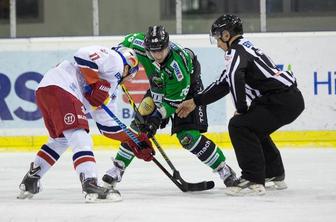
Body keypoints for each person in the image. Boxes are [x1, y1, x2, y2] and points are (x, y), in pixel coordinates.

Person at [176, 14, 305, 195]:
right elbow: (223, 84)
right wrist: (195, 102)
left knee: (239, 125)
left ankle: (253, 178)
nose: (218, 44)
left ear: (227, 35)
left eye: (218, 38)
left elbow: (235, 79)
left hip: (279, 99)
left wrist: (241, 109)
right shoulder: (244, 48)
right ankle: (274, 172)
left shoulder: (234, 52)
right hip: (290, 99)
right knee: (254, 126)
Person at [101, 25, 237, 190]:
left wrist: (157, 119)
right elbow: (116, 53)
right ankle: (118, 168)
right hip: (158, 87)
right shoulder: (136, 42)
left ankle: (224, 170)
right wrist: (116, 70)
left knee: (187, 137)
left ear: (168, 45)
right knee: (138, 128)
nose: (158, 55)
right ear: (146, 47)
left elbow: (172, 103)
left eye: (162, 50)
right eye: (154, 51)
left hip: (187, 91)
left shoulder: (177, 67)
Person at [17, 45, 154, 202]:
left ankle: (31, 179)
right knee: (80, 136)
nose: (130, 79)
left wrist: (133, 139)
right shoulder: (115, 60)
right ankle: (90, 182)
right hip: (63, 87)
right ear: (128, 66)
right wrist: (95, 83)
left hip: (47, 90)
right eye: (131, 74)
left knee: (60, 140)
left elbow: (107, 126)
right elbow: (83, 54)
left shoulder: (110, 89)